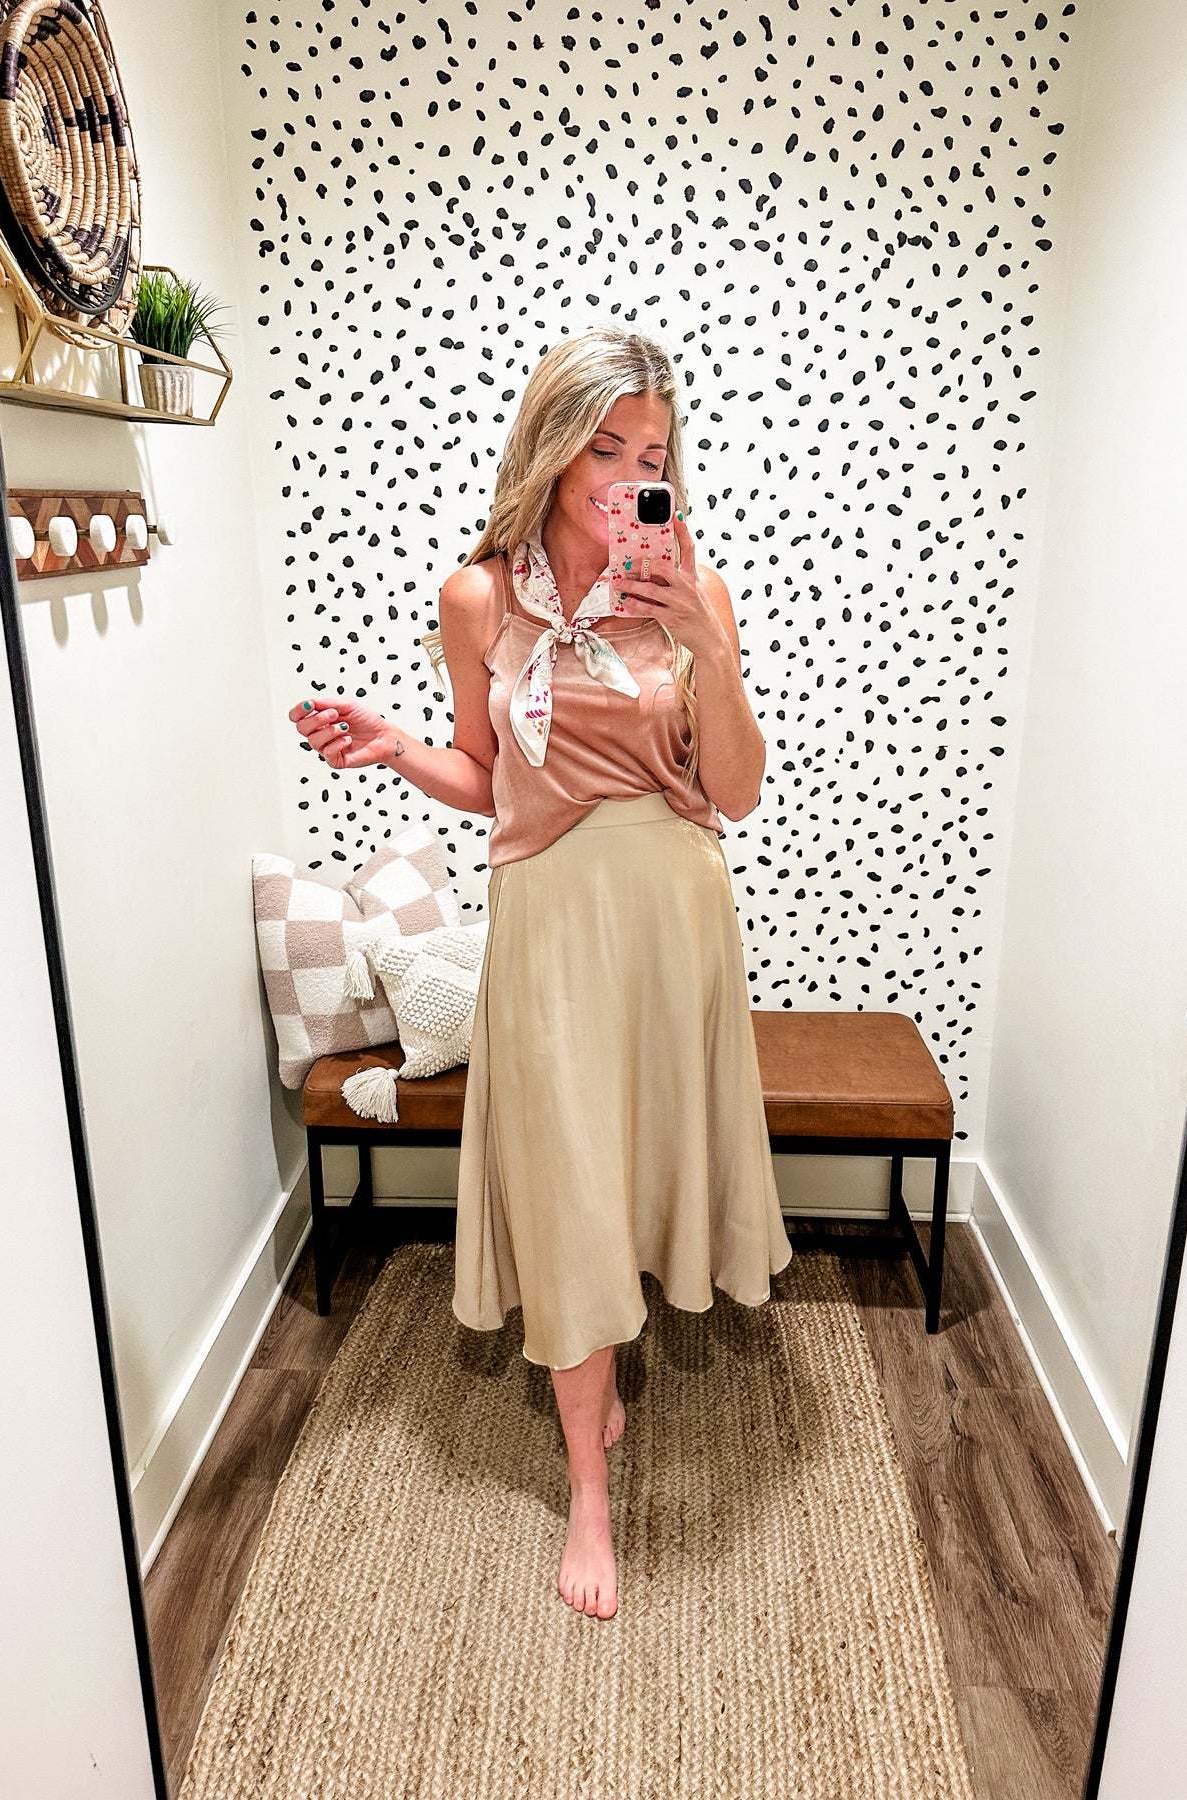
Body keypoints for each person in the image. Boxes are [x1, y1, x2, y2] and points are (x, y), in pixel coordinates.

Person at [288, 324, 792, 1622]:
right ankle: (586, 1487)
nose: (629, 477)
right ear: (553, 448)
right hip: (549, 919)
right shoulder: (479, 599)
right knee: (567, 1182)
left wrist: (707, 645)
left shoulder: (692, 588)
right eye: (604, 448)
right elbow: (484, 774)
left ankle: (614, 1367)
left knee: (637, 1158)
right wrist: (397, 747)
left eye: (652, 456)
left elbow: (733, 793)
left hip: (673, 910)